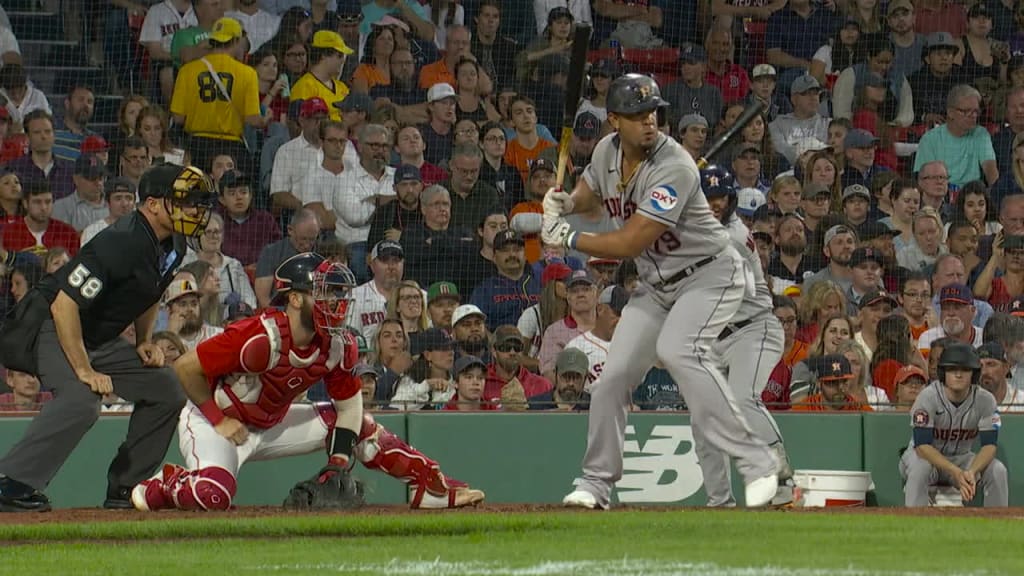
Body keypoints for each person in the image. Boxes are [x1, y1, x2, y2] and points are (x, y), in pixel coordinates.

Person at [543, 73, 779, 510]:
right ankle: (595, 484)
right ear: (614, 119)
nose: (648, 122)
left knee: (678, 350)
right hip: (657, 285)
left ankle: (757, 461)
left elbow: (632, 242)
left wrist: (570, 238)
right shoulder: (605, 151)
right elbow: (592, 193)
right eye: (636, 115)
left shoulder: (675, 165)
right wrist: (568, 204)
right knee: (612, 379)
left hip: (709, 273)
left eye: (653, 113)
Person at [131, 253, 485, 511]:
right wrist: (218, 419)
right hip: (217, 421)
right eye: (325, 292)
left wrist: (338, 462)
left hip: (269, 423)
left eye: (336, 292)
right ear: (295, 298)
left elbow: (348, 409)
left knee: (360, 425)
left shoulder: (336, 343)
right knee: (213, 496)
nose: (336, 301)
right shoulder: (258, 336)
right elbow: (187, 368)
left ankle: (430, 487)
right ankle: (166, 484)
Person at [0, 164, 216, 512]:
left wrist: (144, 339)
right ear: (153, 204)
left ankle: (126, 488)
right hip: (48, 323)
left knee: (166, 389)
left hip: (95, 336)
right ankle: (11, 484)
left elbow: (151, 290)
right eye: (186, 201)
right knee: (82, 400)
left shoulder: (173, 242)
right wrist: (84, 371)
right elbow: (64, 304)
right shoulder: (121, 241)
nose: (196, 210)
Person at [697, 165, 794, 507]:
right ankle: (719, 501)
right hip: (715, 338)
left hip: (753, 329)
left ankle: (780, 474)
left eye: (720, 198)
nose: (714, 204)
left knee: (741, 398)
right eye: (707, 197)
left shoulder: (733, 237)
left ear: (732, 200)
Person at [899, 342, 1008, 507]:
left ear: (974, 373)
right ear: (943, 372)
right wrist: (955, 472)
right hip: (924, 458)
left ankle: (999, 527)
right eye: (952, 369)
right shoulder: (927, 397)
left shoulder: (985, 400)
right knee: (920, 468)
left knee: (997, 470)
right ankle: (914, 524)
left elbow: (989, 446)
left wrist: (971, 471)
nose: (958, 374)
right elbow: (922, 446)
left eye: (965, 369)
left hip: (962, 458)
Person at [170, 18, 263, 177]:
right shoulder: (248, 73)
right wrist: (265, 120)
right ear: (235, 40)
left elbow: (178, 118)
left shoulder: (187, 70)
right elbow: (253, 120)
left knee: (198, 196)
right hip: (232, 148)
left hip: (197, 147)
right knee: (232, 196)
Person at [290, 30, 355, 121]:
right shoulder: (305, 86)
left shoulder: (342, 87)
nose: (343, 61)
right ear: (323, 55)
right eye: (339, 55)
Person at [792, 354, 873, 411]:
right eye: (832, 383)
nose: (840, 387)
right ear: (819, 384)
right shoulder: (802, 410)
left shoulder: (861, 411)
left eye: (844, 381)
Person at [80, 177, 138, 247]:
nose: (124, 204)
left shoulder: (143, 231)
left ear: (134, 203)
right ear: (107, 202)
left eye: (129, 198)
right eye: (118, 198)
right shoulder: (93, 231)